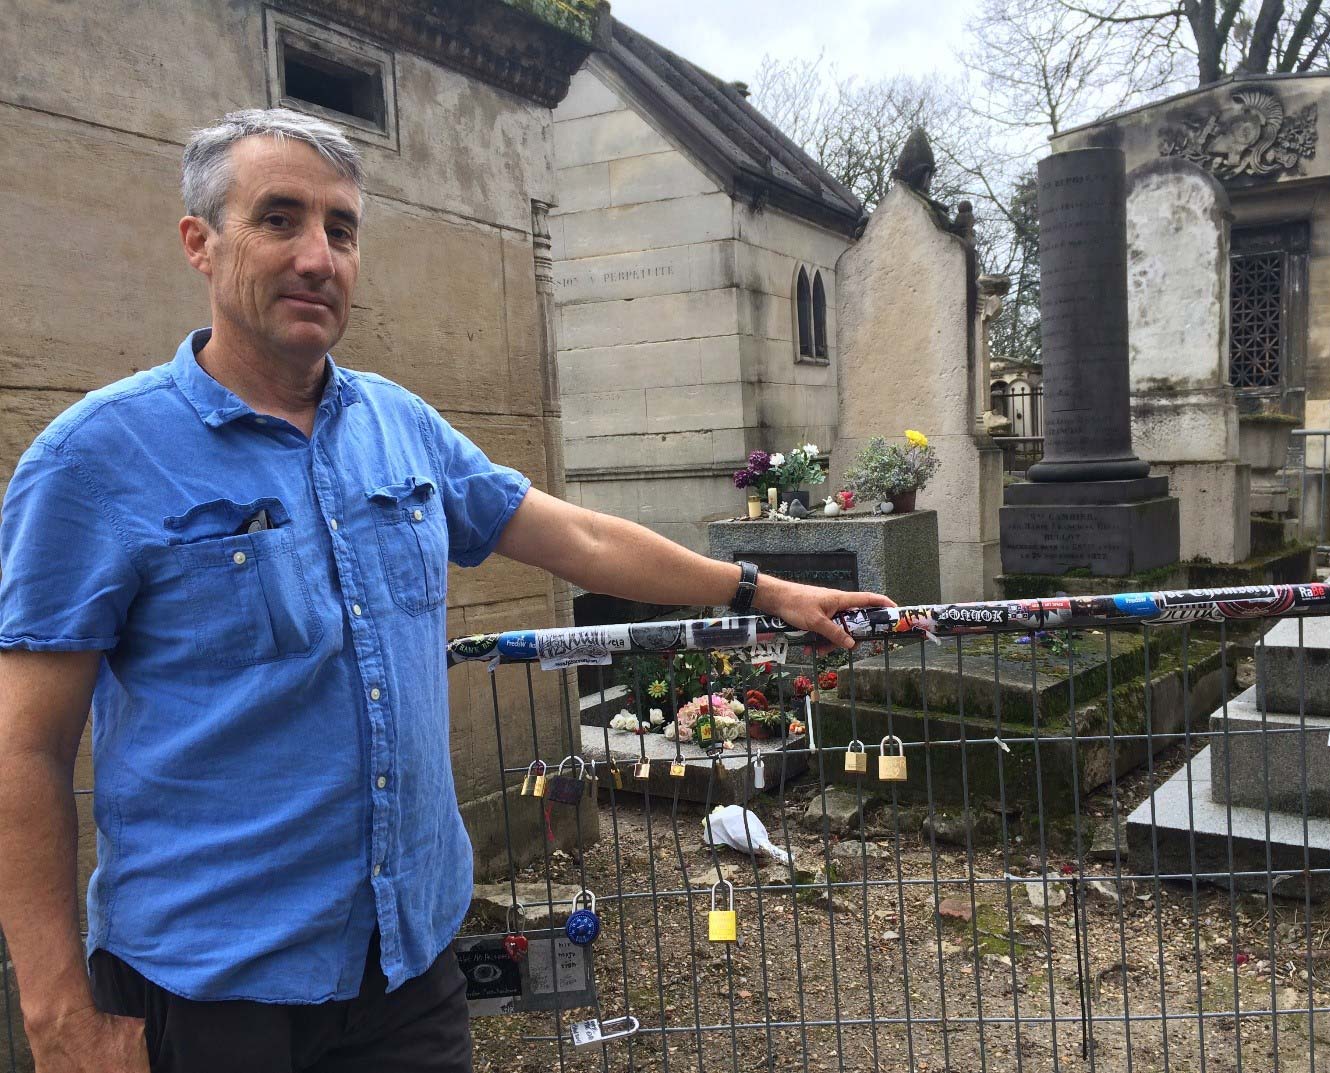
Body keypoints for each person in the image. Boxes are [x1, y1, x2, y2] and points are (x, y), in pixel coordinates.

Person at [0, 108, 891, 1073]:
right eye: (279, 219)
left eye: (341, 229)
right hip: (212, 994)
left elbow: (581, 535)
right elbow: (24, 749)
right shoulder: (95, 461)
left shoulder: (401, 429)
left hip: (407, 971)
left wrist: (763, 591)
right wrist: (58, 1018)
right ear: (199, 244)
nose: (318, 256)